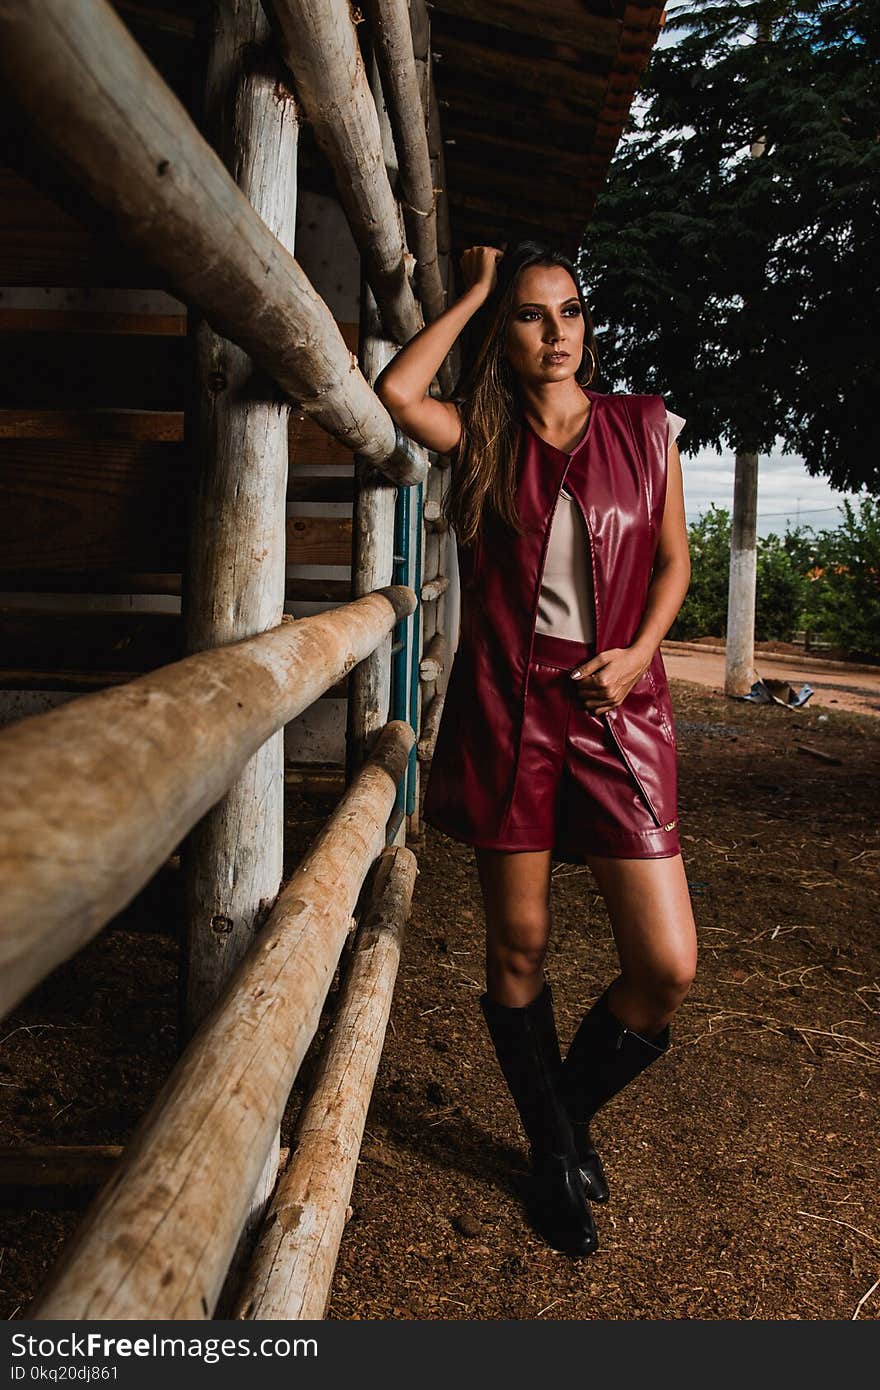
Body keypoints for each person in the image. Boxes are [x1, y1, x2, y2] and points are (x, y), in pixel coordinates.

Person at [374, 240, 697, 1258]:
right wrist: (470, 290)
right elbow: (395, 388)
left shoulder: (646, 428)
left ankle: (556, 1120)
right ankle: (553, 1155)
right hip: (510, 707)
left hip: (618, 705)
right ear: (505, 337)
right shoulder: (477, 438)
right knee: (518, 945)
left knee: (667, 963)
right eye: (529, 315)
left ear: (586, 325)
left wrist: (635, 655)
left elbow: (674, 565)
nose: (555, 333)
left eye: (568, 312)